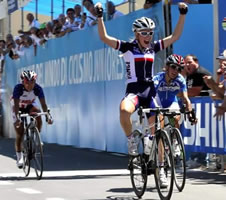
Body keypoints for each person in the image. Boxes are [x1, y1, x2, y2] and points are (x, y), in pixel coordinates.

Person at [95, 1, 188, 187]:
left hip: (150, 92)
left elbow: (175, 36)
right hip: (134, 91)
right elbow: (104, 37)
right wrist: (99, 17)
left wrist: (183, 14)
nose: (148, 36)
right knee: (124, 110)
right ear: (137, 34)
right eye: (144, 33)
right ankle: (131, 141)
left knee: (159, 132)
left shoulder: (153, 47)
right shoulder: (128, 47)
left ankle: (160, 170)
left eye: (150, 33)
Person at [11, 70, 53, 168]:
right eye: (27, 83)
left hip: (30, 105)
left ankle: (36, 138)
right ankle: (19, 156)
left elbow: (43, 104)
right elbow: (16, 105)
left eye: (32, 83)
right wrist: (17, 118)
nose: (29, 85)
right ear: (23, 82)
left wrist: (48, 117)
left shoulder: (38, 88)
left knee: (38, 114)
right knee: (20, 132)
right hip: (18, 106)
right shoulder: (18, 88)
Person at [153, 54, 196, 129]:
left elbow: (186, 98)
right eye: (173, 67)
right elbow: (150, 95)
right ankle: (159, 138)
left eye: (179, 69)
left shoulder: (180, 80)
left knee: (175, 120)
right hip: (158, 102)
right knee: (160, 122)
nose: (175, 71)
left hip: (171, 103)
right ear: (167, 67)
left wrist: (190, 113)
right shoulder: (157, 79)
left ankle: (175, 139)